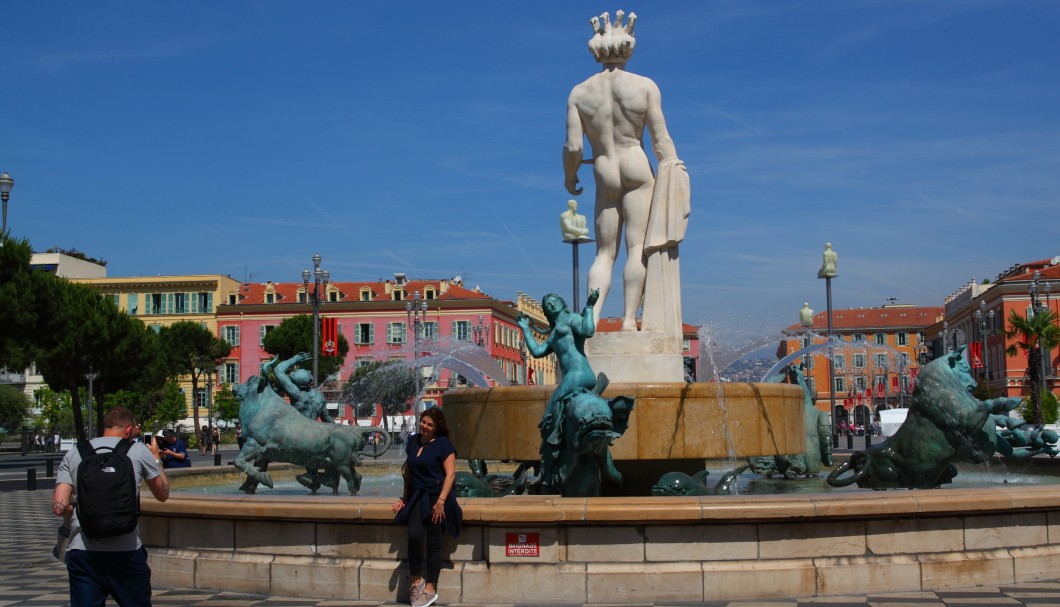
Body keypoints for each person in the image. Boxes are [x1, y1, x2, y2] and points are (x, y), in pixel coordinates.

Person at [563, 11, 689, 331]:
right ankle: (630, 321)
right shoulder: (645, 87)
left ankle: (590, 317)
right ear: (628, 50)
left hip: (604, 169)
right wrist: (675, 172)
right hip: (635, 164)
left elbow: (574, 148)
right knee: (636, 250)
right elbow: (661, 140)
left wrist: (570, 175)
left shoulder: (579, 93)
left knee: (604, 252)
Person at [52, 407, 169, 607]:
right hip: (127, 551)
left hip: (83, 552)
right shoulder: (138, 450)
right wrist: (156, 458)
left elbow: (58, 507)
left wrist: (73, 508)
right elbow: (163, 494)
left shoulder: (75, 452)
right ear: (128, 429)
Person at [517, 290, 599, 486]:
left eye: (554, 302)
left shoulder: (571, 319)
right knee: (557, 417)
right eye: (547, 306)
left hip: (578, 374)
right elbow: (537, 352)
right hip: (574, 376)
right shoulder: (554, 331)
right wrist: (526, 329)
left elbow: (588, 331)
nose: (551, 306)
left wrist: (589, 307)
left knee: (548, 418)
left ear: (562, 303)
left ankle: (550, 464)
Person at [392, 408, 461, 607]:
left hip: (438, 497)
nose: (425, 426)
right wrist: (404, 499)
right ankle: (416, 582)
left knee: (434, 542)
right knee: (414, 536)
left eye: (430, 424)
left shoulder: (443, 444)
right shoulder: (413, 441)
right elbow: (409, 474)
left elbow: (450, 475)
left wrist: (440, 502)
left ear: (437, 427)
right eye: (423, 422)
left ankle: (430, 588)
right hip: (418, 496)